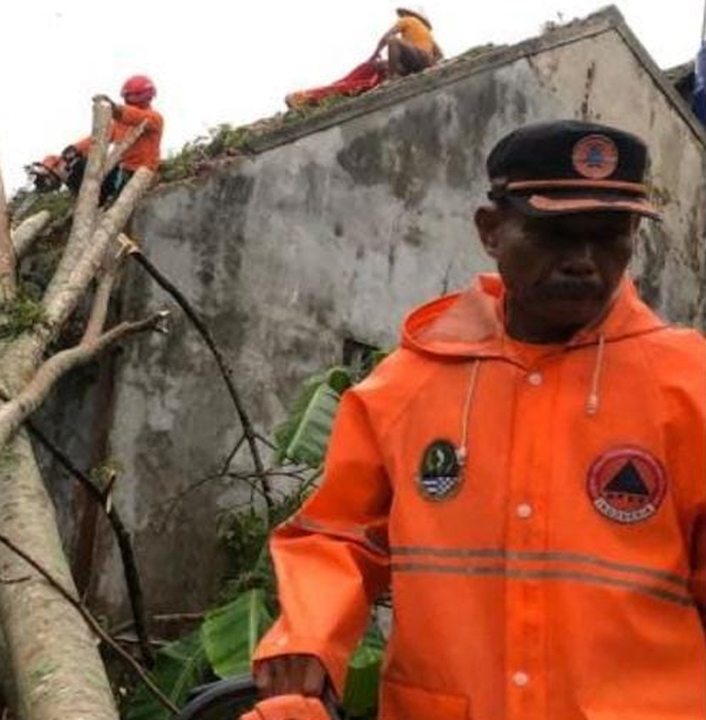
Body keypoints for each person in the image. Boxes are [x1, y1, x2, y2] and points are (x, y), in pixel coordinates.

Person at [249, 120, 705, 720]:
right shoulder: (406, 387)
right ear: (491, 231)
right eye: (556, 234)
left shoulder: (690, 382)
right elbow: (337, 536)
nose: (584, 262)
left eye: (610, 236)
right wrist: (305, 637)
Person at [34, 75, 164, 205]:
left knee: (81, 168)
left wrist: (114, 108)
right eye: (128, 97)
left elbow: (134, 116)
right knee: (74, 162)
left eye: (132, 97)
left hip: (141, 173)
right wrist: (75, 149)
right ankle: (50, 176)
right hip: (122, 169)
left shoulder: (154, 119)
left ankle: (100, 200)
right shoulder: (120, 124)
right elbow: (99, 138)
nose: (130, 100)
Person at [371, 7, 442, 79]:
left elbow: (387, 36)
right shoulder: (427, 33)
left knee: (393, 40)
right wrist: (431, 63)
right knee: (383, 64)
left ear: (406, 14)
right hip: (421, 63)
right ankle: (396, 72)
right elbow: (440, 54)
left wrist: (375, 54)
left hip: (419, 58)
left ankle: (391, 76)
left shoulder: (407, 19)